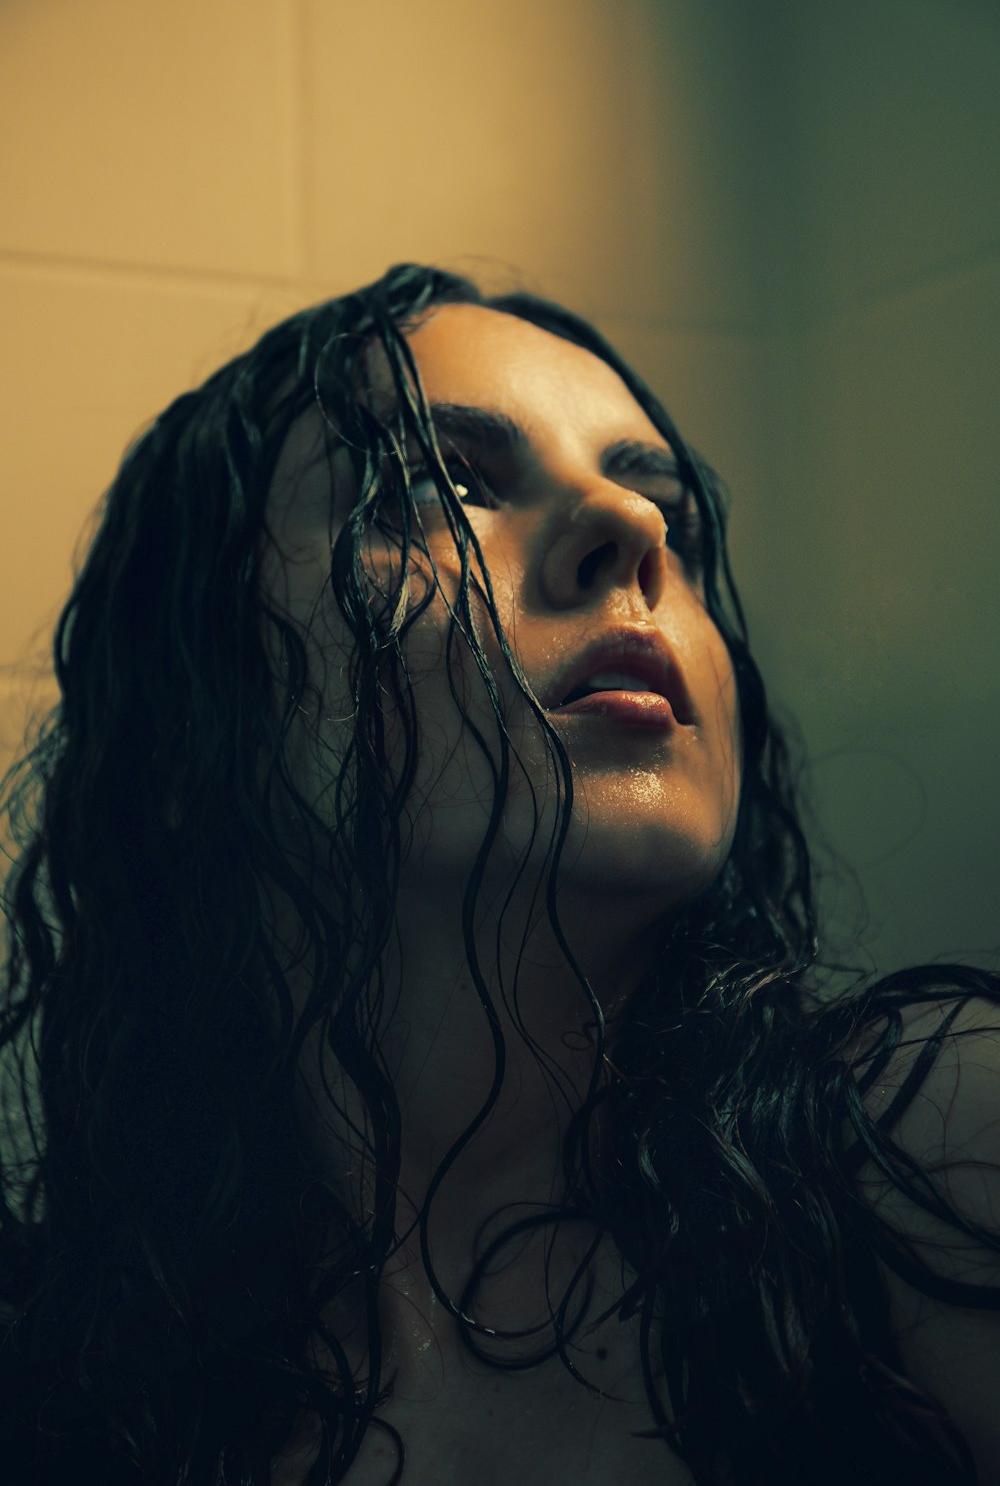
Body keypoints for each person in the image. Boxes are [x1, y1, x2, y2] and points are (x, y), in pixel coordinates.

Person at [1, 263, 998, 1486]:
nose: (631, 534)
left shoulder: (924, 1159)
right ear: (193, 718)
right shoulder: (60, 1371)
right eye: (436, 485)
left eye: (665, 514)